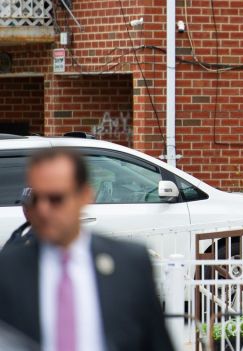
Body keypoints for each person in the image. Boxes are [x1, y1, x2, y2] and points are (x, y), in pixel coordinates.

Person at [0, 147, 173, 351]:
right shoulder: (8, 270)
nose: (43, 210)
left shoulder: (130, 265)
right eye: (35, 199)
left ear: (85, 196)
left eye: (56, 199)